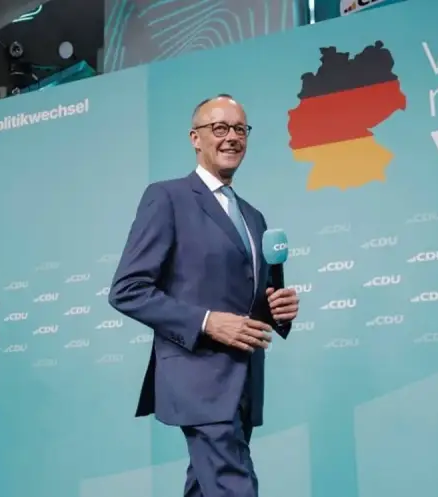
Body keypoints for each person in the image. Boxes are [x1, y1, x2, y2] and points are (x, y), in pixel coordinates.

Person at [108, 94, 299, 497]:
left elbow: (251, 301)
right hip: (198, 378)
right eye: (220, 128)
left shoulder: (253, 217)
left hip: (244, 380)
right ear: (195, 138)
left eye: (240, 129)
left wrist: (277, 310)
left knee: (206, 487)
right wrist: (207, 322)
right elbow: (127, 290)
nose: (232, 137)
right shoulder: (167, 198)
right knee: (233, 487)